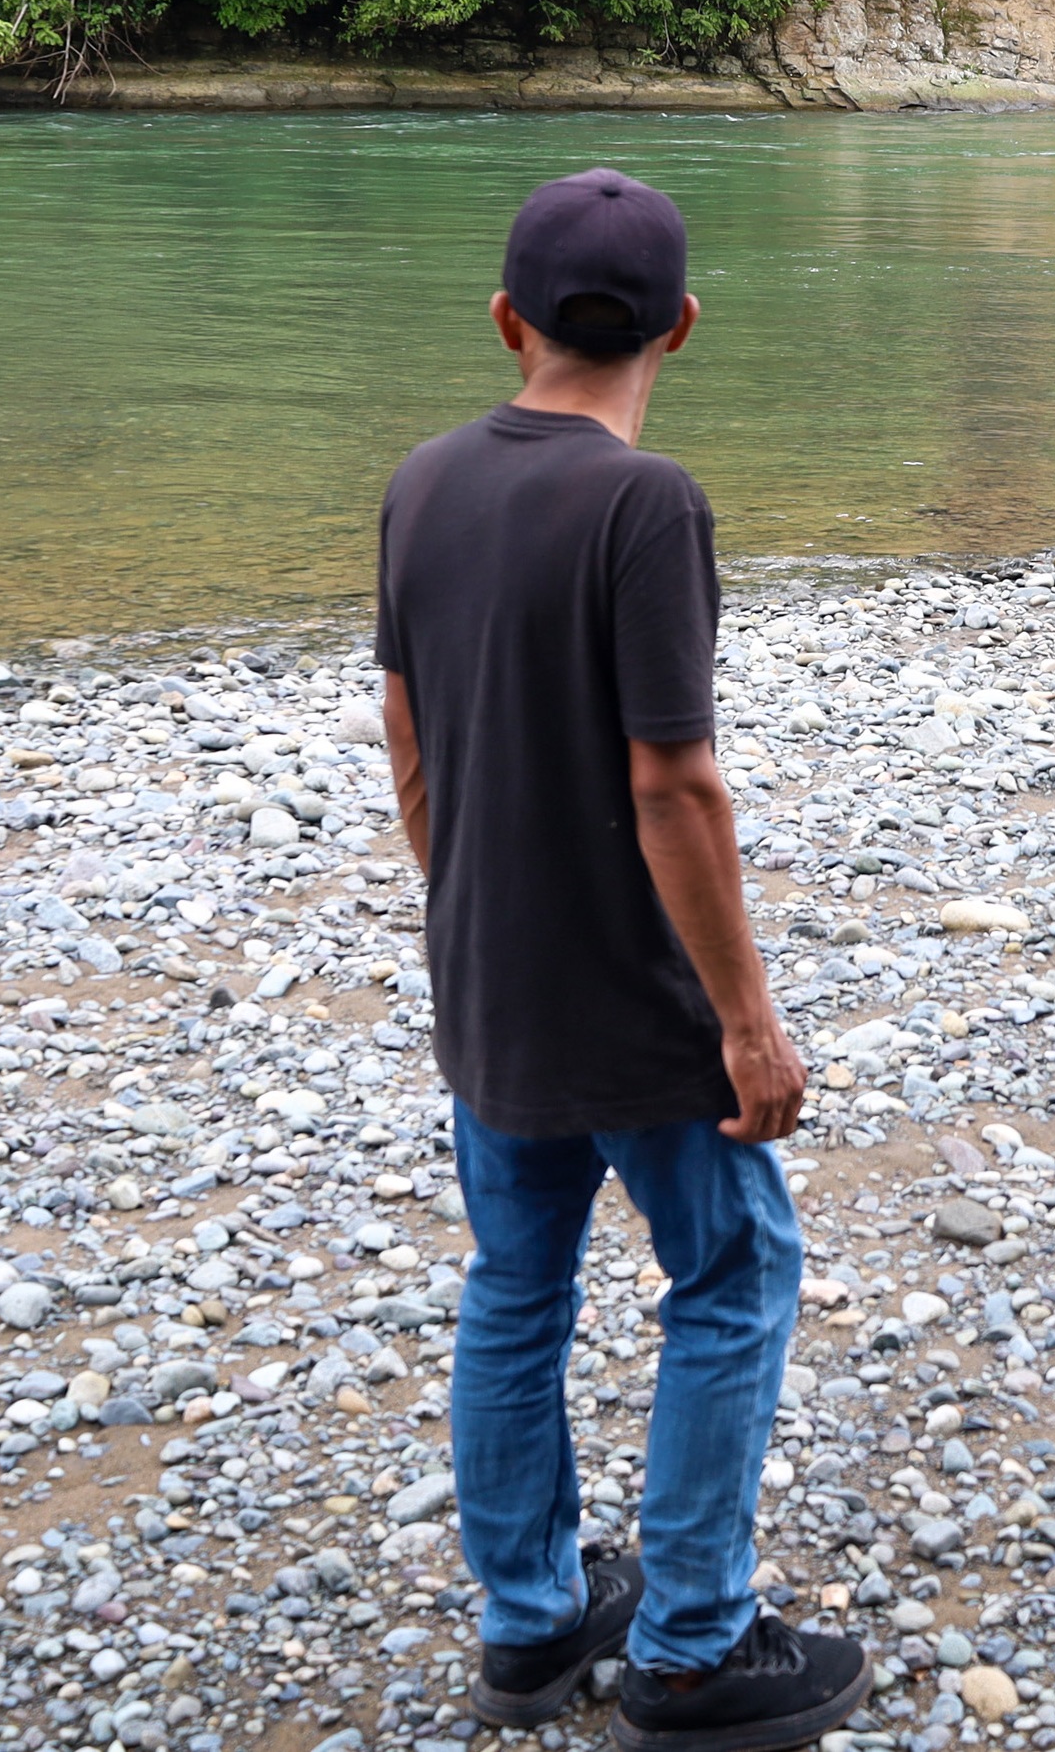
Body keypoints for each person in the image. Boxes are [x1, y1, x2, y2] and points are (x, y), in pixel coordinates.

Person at [375, 167, 869, 1752]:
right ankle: (694, 1649)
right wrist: (748, 1020)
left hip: (489, 984)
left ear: (506, 321)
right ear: (684, 328)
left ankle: (530, 1625)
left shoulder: (422, 484)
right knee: (733, 1275)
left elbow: (408, 741)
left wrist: (475, 907)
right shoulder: (647, 505)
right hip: (636, 1005)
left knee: (514, 1287)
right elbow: (675, 785)